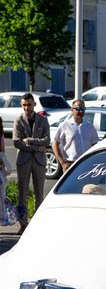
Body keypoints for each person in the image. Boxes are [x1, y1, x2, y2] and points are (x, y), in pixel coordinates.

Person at [13, 93, 50, 233]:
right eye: (24, 105)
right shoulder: (18, 120)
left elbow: (47, 140)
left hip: (39, 161)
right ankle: (23, 223)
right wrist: (36, 147)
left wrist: (29, 140)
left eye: (28, 104)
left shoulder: (42, 120)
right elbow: (16, 142)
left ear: (34, 104)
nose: (26, 107)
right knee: (22, 192)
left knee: (39, 192)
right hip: (23, 160)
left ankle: (38, 223)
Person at [52, 99, 99, 174]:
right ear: (72, 110)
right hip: (70, 164)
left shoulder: (90, 126)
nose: (81, 111)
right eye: (78, 109)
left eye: (83, 109)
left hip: (86, 163)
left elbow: (95, 145)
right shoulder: (65, 125)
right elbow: (55, 144)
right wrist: (62, 163)